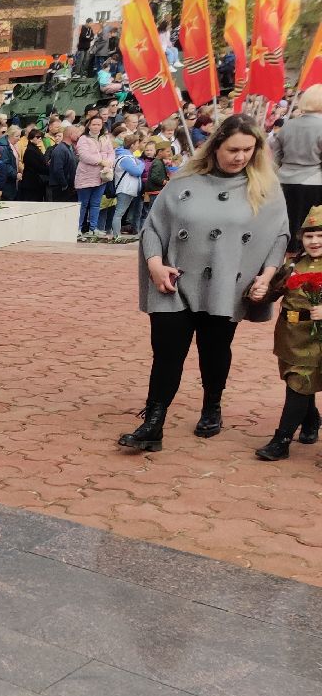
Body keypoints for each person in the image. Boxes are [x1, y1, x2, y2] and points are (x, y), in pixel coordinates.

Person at [119, 116, 290, 453]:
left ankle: (212, 405)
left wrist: (267, 275)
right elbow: (153, 226)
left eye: (247, 149)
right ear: (215, 147)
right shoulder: (185, 181)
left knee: (214, 351)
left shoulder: (265, 189)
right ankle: (154, 421)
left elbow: (278, 237)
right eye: (232, 149)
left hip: (226, 285)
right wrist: (155, 264)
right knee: (167, 354)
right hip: (174, 281)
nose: (239, 157)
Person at [251, 205, 322, 461]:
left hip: (317, 338)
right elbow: (274, 291)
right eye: (309, 235)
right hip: (292, 337)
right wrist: (260, 292)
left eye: (320, 235)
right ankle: (312, 420)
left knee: (298, 383)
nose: (314, 241)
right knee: (299, 381)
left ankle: (281, 441)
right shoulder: (294, 265)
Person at [268, 85, 322, 250]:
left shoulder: (288, 125)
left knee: (288, 226)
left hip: (285, 181)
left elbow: (275, 155)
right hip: (314, 183)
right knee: (313, 229)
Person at [74, 115, 113, 233]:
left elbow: (111, 153)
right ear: (89, 125)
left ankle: (93, 228)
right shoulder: (83, 139)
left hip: (102, 176)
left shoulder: (105, 138)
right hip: (86, 176)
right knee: (83, 204)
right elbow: (84, 155)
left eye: (99, 124)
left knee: (96, 204)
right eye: (94, 124)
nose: (96, 127)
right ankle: (78, 228)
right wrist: (101, 161)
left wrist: (108, 164)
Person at [19, 128, 49, 202]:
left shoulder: (34, 149)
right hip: (32, 184)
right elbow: (37, 167)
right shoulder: (30, 151)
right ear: (31, 138)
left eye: (41, 137)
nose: (40, 139)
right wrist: (49, 169)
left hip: (35, 183)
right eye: (37, 137)